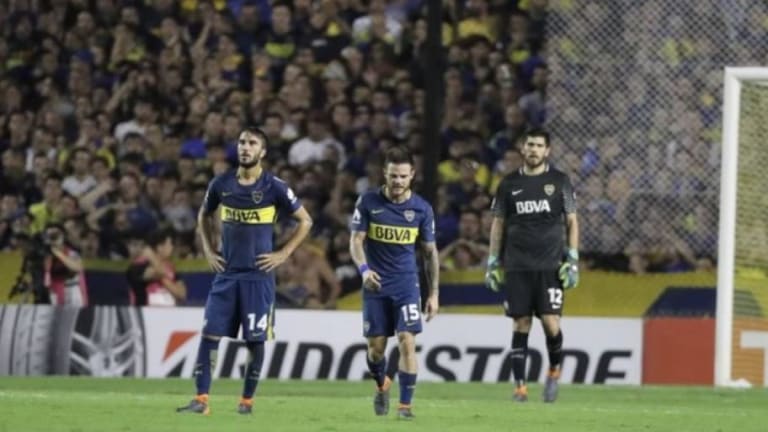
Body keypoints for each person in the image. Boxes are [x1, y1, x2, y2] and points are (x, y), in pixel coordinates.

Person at [177, 127, 313, 415]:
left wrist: (283, 253)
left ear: (262, 152)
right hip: (226, 275)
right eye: (242, 142)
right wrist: (208, 248)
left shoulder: (275, 187)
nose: (245, 147)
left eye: (252, 143)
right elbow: (204, 214)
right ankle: (201, 400)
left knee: (255, 340)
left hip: (257, 277)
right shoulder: (221, 183)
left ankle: (247, 401)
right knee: (209, 335)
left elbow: (306, 221)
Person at [485, 129, 579, 403]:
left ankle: (553, 371)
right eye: (530, 145)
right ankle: (520, 388)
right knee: (521, 322)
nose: (534, 149)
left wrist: (573, 258)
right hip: (517, 265)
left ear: (547, 151)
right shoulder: (508, 184)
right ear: (522, 149)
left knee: (551, 323)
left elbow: (572, 221)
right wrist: (493, 261)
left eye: (539, 145)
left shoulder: (560, 181)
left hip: (550, 265)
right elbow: (498, 224)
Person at [349, 146, 440, 420]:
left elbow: (430, 253)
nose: (398, 181)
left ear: (412, 175)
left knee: (406, 341)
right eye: (393, 176)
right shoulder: (368, 202)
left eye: (402, 176)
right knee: (376, 350)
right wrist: (364, 270)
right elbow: (356, 241)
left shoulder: (422, 209)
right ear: (384, 174)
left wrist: (434, 293)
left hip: (406, 285)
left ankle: (405, 407)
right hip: (375, 285)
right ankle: (382, 386)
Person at [126, 230, 187, 306]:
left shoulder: (171, 267)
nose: (172, 247)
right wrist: (150, 255)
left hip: (170, 311)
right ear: (159, 247)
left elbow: (182, 294)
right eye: (169, 244)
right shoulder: (139, 266)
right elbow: (160, 272)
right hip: (146, 311)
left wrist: (162, 278)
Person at [43, 223, 88, 306]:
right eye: (50, 236)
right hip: (53, 293)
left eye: (56, 235)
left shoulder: (71, 252)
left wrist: (59, 254)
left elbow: (77, 267)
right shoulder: (45, 254)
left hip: (71, 291)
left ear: (63, 236)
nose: (53, 238)